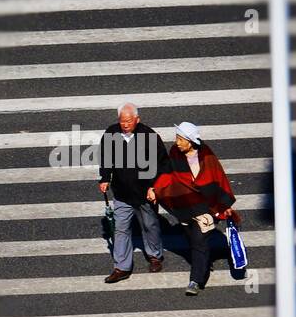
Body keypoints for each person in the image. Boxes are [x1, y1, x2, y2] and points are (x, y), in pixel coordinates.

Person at [148, 121, 237, 296]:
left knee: (198, 241)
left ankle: (196, 280)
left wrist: (223, 205)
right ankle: (203, 262)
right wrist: (155, 189)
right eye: (177, 138)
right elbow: (167, 174)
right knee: (191, 238)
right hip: (186, 207)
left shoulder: (207, 156)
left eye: (181, 139)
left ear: (190, 141)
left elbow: (218, 179)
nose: (177, 142)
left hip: (206, 208)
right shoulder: (175, 153)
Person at [98, 102, 167, 284]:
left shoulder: (149, 136)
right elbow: (105, 158)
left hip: (145, 193)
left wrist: (154, 187)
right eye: (122, 121)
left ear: (137, 119)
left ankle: (155, 256)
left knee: (150, 225)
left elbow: (163, 164)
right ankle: (122, 267)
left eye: (129, 121)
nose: (126, 124)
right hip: (122, 193)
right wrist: (105, 178)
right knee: (121, 229)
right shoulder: (111, 134)